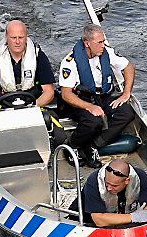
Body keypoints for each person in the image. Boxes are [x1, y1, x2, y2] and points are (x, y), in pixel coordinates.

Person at [58, 24, 136, 169]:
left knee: (127, 113)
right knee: (94, 121)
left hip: (102, 96)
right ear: (87, 43)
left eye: (103, 41)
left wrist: (126, 93)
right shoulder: (70, 62)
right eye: (99, 42)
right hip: (81, 100)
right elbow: (66, 94)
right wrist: (89, 107)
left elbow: (128, 67)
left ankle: (94, 145)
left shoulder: (107, 53)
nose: (103, 45)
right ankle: (72, 145)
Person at [0, 19, 56, 117]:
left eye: (21, 37)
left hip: (33, 107)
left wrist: (32, 107)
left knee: (52, 122)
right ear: (6, 38)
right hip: (3, 108)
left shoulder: (38, 56)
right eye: (13, 38)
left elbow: (49, 92)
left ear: (26, 37)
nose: (17, 42)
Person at [69, 158, 147, 227]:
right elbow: (98, 220)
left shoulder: (139, 176)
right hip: (87, 221)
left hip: (122, 216)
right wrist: (133, 217)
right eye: (107, 183)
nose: (109, 188)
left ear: (126, 181)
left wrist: (146, 216)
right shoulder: (94, 181)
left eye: (114, 186)